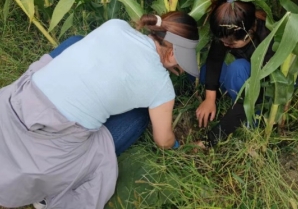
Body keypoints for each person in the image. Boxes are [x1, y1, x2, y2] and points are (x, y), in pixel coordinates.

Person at [0, 12, 199, 209]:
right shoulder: (161, 85)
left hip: (18, 103)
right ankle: (54, 188)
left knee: (77, 41)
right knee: (140, 116)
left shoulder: (116, 25)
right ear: (172, 54)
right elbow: (163, 141)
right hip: (53, 142)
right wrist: (177, 146)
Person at [193, 0, 274, 148]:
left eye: (229, 44)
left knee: (238, 68)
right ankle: (222, 95)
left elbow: (255, 93)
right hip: (243, 73)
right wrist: (209, 98)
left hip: (260, 90)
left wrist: (211, 139)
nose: (224, 45)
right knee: (201, 73)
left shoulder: (267, 43)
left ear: (248, 35)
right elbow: (214, 60)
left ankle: (252, 124)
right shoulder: (230, 22)